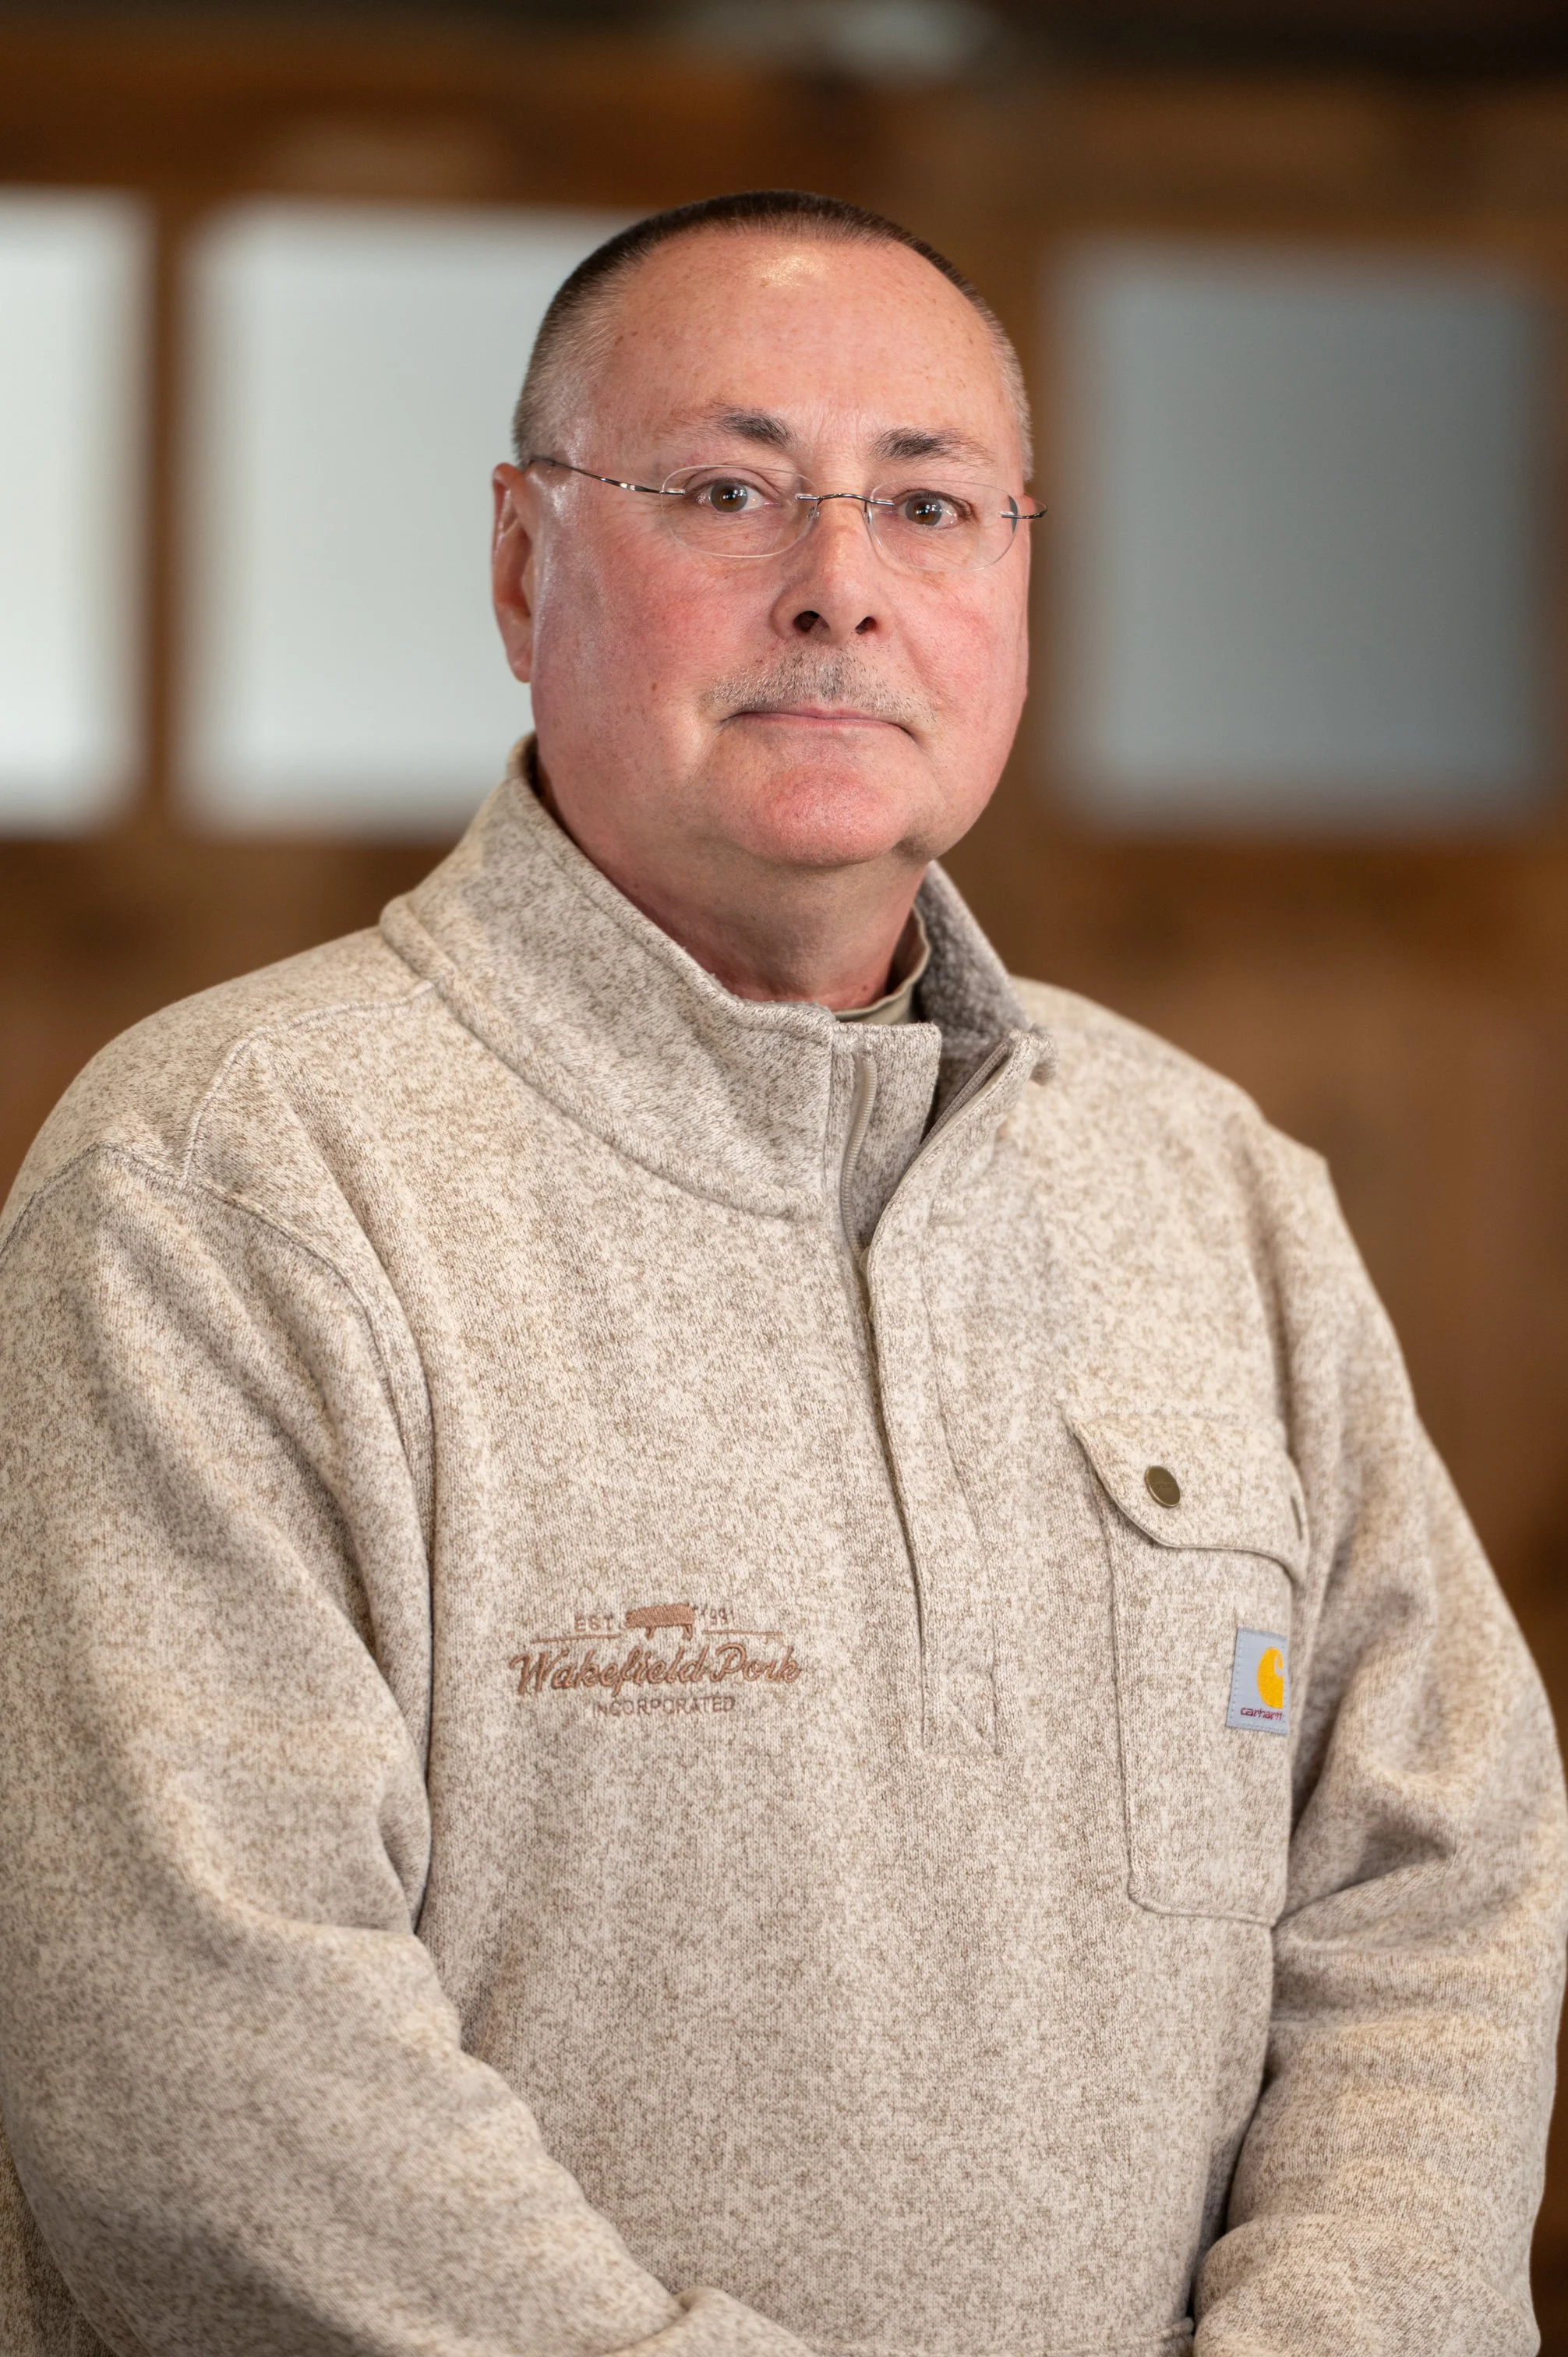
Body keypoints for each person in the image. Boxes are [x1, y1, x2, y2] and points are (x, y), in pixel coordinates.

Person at [0, 188, 1563, 2357]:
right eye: (726, 492)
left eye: (926, 505)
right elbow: (193, 2069)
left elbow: (1437, 1881)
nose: (839, 587)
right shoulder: (220, 1182)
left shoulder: (1210, 1184)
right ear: (521, 562)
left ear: (1014, 578)